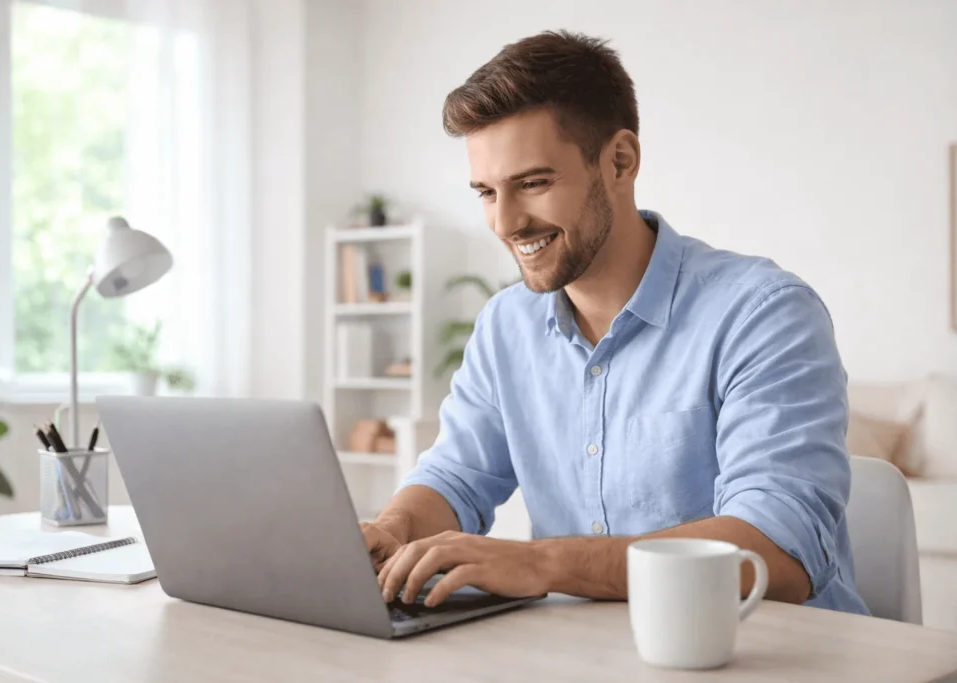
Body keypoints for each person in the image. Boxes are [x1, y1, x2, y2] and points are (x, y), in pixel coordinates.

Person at [363, 30, 868, 615]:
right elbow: (456, 476)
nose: (505, 223)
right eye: (486, 192)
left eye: (533, 183)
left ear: (620, 162)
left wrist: (542, 563)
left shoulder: (763, 313)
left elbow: (777, 551)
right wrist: (393, 531)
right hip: (588, 651)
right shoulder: (506, 325)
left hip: (774, 651)